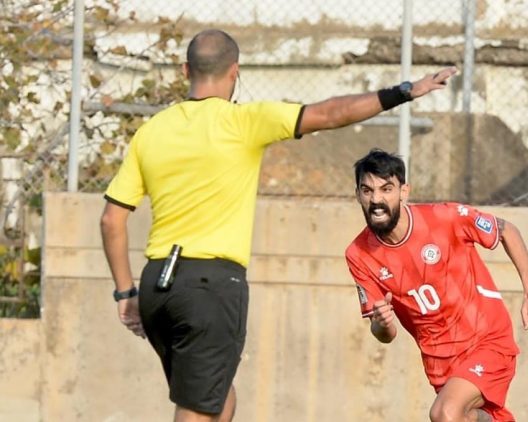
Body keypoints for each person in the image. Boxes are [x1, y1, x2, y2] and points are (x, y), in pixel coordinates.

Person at [100, 29, 457, 422]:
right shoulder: (243, 120)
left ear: (186, 70)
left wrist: (125, 292)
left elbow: (112, 219)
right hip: (209, 287)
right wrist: (404, 91)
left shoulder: (152, 130)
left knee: (218, 398)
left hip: (157, 287)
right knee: (197, 409)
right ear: (235, 71)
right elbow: (331, 113)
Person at [344, 149, 528, 422]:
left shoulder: (445, 217)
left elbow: (506, 231)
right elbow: (385, 334)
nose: (376, 200)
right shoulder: (358, 254)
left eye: (386, 189)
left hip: (487, 341)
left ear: (404, 191)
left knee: (445, 412)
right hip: (440, 362)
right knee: (459, 416)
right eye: (367, 190)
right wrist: (382, 322)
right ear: (358, 195)